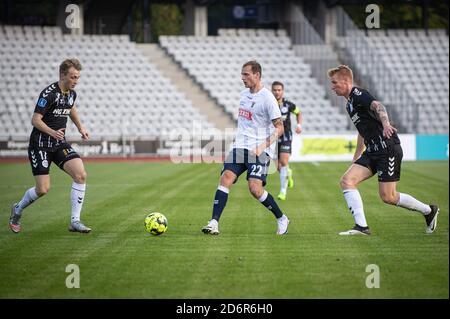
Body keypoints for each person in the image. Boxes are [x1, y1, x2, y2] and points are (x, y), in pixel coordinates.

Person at [327, 65, 439, 235]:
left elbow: (378, 106)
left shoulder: (359, 94)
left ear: (346, 81)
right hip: (372, 150)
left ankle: (428, 211)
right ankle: (362, 227)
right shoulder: (349, 104)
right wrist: (357, 156)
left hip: (387, 149)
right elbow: (362, 131)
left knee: (388, 197)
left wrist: (386, 124)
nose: (332, 86)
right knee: (347, 181)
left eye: (335, 82)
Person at [202, 60, 290, 235]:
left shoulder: (268, 98)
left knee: (255, 189)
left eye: (246, 74)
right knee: (225, 177)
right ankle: (213, 222)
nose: (242, 78)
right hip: (240, 147)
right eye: (242, 74)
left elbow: (280, 128)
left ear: (257, 75)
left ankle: (281, 218)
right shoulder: (243, 95)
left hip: (260, 150)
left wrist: (262, 147)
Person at [9, 58, 92, 234]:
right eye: (73, 77)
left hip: (59, 143)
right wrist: (51, 132)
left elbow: (71, 108)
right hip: (40, 145)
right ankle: (17, 208)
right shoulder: (48, 94)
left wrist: (80, 127)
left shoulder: (71, 93)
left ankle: (75, 221)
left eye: (78, 77)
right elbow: (35, 120)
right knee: (43, 189)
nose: (76, 81)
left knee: (81, 174)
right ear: (62, 75)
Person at [271, 81, 302, 200]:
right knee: (277, 166)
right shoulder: (269, 104)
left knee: (283, 162)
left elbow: (298, 113)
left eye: (279, 90)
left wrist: (299, 125)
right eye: (275, 90)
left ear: (282, 91)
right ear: (272, 91)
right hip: (273, 137)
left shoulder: (288, 105)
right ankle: (288, 173)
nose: (277, 92)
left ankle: (283, 191)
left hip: (286, 137)